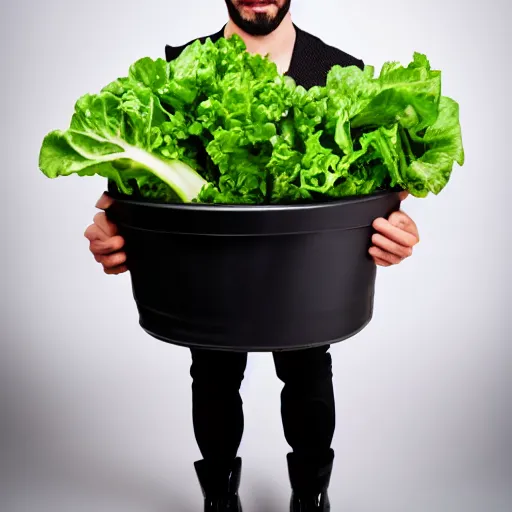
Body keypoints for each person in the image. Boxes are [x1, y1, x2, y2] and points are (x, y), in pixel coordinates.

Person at [84, 1, 420, 510]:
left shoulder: (341, 74)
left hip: (306, 270)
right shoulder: (179, 67)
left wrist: (400, 228)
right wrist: (110, 232)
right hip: (209, 268)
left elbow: (388, 192)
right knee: (213, 371)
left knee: (308, 368)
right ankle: (219, 496)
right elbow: (122, 195)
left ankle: (311, 495)